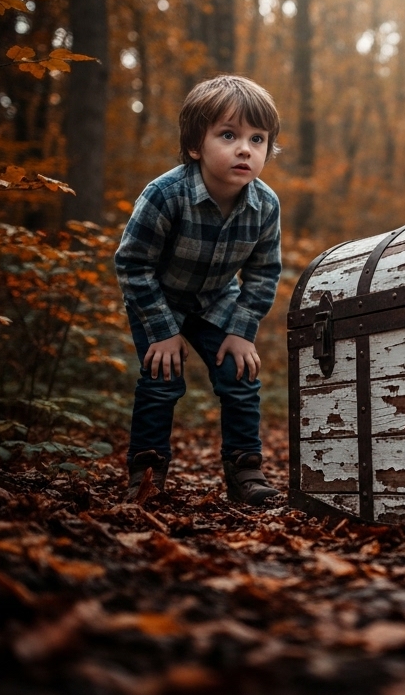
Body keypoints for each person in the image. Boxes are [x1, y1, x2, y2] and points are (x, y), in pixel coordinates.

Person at [114, 75, 283, 505]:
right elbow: (133, 264)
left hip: (216, 298)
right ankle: (147, 472)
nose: (245, 148)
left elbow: (263, 273)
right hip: (157, 297)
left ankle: (245, 470)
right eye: (229, 135)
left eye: (257, 138)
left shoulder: (265, 205)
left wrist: (242, 331)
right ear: (196, 145)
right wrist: (163, 331)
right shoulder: (165, 195)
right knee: (161, 378)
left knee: (239, 376)